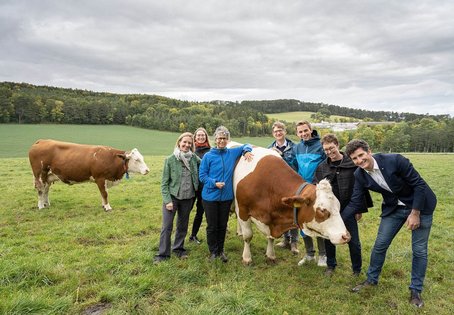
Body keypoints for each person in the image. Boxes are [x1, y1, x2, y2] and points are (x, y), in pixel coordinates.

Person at [343, 139, 436, 308]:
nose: (359, 161)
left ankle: (415, 290)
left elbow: (419, 185)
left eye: (361, 155)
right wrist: (338, 221)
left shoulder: (395, 160)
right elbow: (356, 202)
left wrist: (415, 213)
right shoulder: (359, 174)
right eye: (354, 159)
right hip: (394, 208)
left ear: (369, 151)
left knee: (419, 250)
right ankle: (371, 280)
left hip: (421, 205)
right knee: (380, 245)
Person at [314, 134, 372, 276]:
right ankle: (331, 265)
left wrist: (359, 209)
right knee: (328, 238)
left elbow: (361, 188)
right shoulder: (322, 167)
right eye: (326, 150)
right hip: (330, 211)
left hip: (349, 208)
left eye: (331, 148)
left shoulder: (352, 164)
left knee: (353, 241)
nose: (329, 152)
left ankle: (356, 269)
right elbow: (317, 188)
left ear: (337, 145)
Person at [199, 126, 253, 263]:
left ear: (227, 140)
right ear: (215, 139)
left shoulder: (231, 153)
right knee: (212, 226)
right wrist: (214, 183)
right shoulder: (208, 156)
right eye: (219, 138)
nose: (221, 140)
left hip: (226, 197)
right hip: (210, 197)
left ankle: (221, 250)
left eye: (224, 138)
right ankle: (213, 251)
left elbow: (246, 145)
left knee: (223, 225)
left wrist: (246, 151)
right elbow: (202, 176)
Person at [154, 132, 200, 263]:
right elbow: (164, 183)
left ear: (192, 146)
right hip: (172, 198)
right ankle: (163, 254)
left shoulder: (194, 159)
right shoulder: (170, 160)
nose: (186, 145)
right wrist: (167, 200)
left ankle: (178, 249)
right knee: (167, 226)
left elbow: (206, 164)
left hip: (188, 197)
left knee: (182, 225)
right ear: (179, 142)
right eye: (184, 142)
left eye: (189, 143)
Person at [292, 120, 327, 267]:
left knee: (318, 221)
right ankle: (309, 254)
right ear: (297, 133)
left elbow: (326, 166)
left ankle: (323, 255)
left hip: (317, 189)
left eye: (305, 130)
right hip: (301, 190)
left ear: (311, 130)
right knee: (301, 221)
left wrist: (317, 183)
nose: (303, 134)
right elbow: (293, 167)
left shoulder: (320, 146)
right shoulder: (297, 147)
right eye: (300, 132)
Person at [268, 121, 299, 255]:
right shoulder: (269, 149)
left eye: (280, 130)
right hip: (278, 186)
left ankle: (294, 242)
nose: (278, 133)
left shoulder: (294, 147)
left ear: (285, 132)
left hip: (293, 184)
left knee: (294, 212)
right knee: (282, 212)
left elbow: (298, 165)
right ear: (273, 134)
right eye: (275, 131)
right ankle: (285, 240)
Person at [188, 127, 211, 245]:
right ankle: (180, 235)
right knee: (186, 211)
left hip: (204, 187)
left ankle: (193, 235)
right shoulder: (190, 151)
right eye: (199, 135)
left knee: (200, 212)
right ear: (195, 137)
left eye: (203, 135)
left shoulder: (210, 151)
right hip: (191, 187)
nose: (201, 137)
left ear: (206, 137)